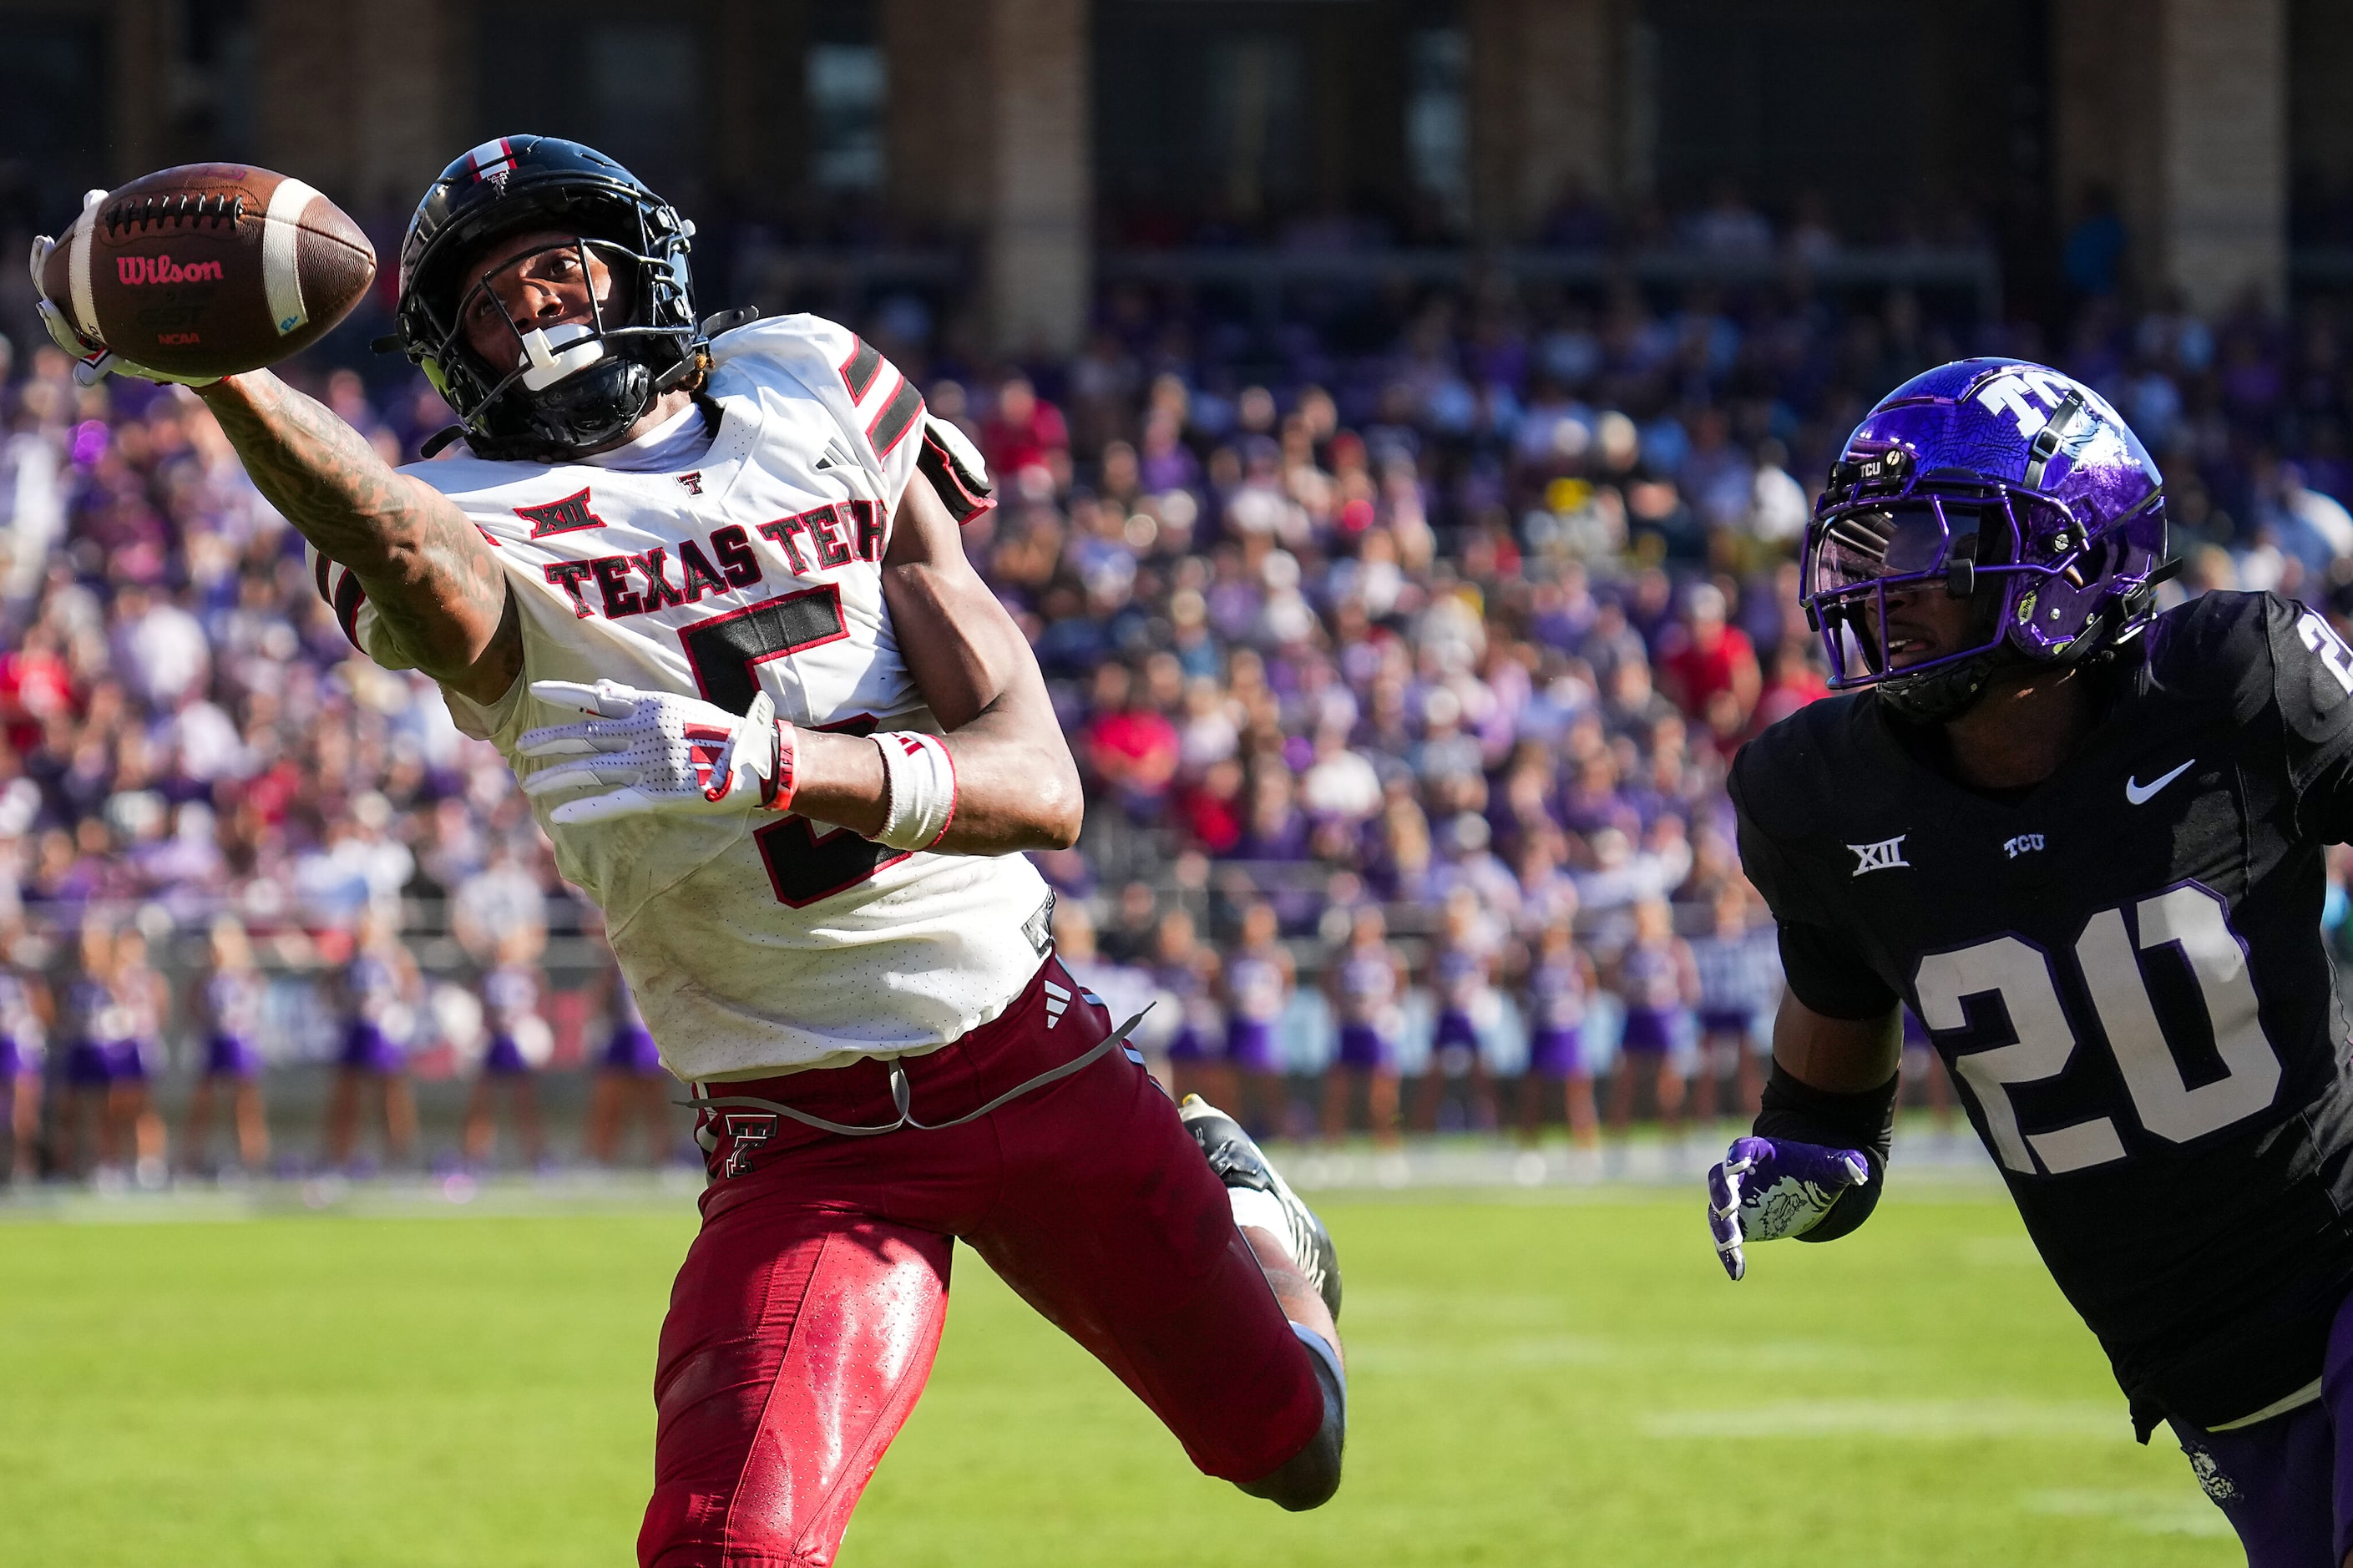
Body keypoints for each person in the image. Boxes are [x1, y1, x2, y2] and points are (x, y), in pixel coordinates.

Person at [43, 135, 1345, 1557]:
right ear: (449, 350)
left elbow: (1038, 784)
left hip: (1033, 1053)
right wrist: (213, 365)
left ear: (637, 265)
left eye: (557, 267)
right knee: (727, 1543)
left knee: (1289, 1449)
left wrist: (781, 760)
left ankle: (1255, 1222)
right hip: (807, 1136)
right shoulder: (456, 510)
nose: (535, 310)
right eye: (493, 301)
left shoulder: (811, 383)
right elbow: (407, 553)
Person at [1708, 356, 2353, 1558]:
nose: (1879, 586)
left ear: (2070, 554)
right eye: (1864, 547)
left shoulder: (2226, 680)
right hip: (2204, 1361)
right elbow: (1830, 1119)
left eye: (1923, 543)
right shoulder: (1816, 795)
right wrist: (1790, 1174)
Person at [323, 906, 419, 1171]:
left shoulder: (396, 957)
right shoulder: (348, 961)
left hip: (385, 1035)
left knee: (392, 1095)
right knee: (348, 1095)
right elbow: (329, 990)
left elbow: (413, 990)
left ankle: (399, 1157)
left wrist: (396, 1015)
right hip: (356, 1032)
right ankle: (339, 1157)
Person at [180, 914, 270, 1176]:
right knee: (203, 1104)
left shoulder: (249, 976)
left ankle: (252, 1161)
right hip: (213, 1042)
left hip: (241, 1043)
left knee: (245, 1105)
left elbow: (257, 1011)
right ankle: (190, 1162)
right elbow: (192, 1009)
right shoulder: (204, 979)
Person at [1685, 884, 1782, 1122]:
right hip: (1714, 1007)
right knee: (1707, 1067)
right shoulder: (1704, 940)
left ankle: (1757, 1117)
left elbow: (1763, 974)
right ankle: (1704, 1120)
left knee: (1748, 1066)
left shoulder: (1750, 939)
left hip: (1741, 1006)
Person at [1605, 897, 1698, 1138]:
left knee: (1668, 1078)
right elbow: (1614, 980)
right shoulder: (1628, 949)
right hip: (1636, 1016)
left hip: (1664, 1018)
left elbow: (1689, 985)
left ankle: (1674, 1134)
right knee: (1627, 1078)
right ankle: (1618, 1136)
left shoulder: (1673, 947)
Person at [463, 929, 549, 1170]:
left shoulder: (531, 975)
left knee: (524, 1101)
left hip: (518, 1043)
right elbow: (475, 1009)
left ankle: (537, 1156)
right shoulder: (485, 976)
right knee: (482, 1103)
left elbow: (540, 1007)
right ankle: (474, 1156)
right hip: (493, 1041)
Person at [1325, 903, 1404, 1147]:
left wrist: (1387, 1013)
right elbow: (1329, 984)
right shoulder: (1343, 959)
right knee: (1340, 1088)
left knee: (1382, 1092)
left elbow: (1401, 985)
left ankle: (1388, 1142)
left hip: (1376, 1030)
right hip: (1351, 1028)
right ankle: (1332, 1141)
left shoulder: (1388, 958)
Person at [584, 955, 674, 1166]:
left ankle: (666, 1158)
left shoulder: (652, 966)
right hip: (620, 1036)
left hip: (646, 1035)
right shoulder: (611, 973)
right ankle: (600, 1158)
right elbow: (598, 1006)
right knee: (609, 1102)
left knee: (654, 1103)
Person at [1519, 917, 1599, 1149]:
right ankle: (1529, 1147)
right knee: (1533, 1091)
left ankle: (1586, 1147)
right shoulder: (1534, 964)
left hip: (1568, 1032)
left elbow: (1590, 992)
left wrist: (1571, 1013)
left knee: (1576, 1091)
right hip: (1542, 1031)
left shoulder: (1577, 962)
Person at [1219, 899, 1295, 1137]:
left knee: (1270, 1083)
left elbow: (1287, 988)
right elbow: (1222, 990)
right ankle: (1237, 1130)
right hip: (1239, 1024)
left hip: (1265, 1025)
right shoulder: (1233, 957)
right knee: (1236, 1083)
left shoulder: (1278, 958)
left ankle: (1279, 1132)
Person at [0, 943, 48, 1182]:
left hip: (21, 1047)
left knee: (24, 1112)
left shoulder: (28, 979)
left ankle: (24, 1168)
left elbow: (46, 1015)